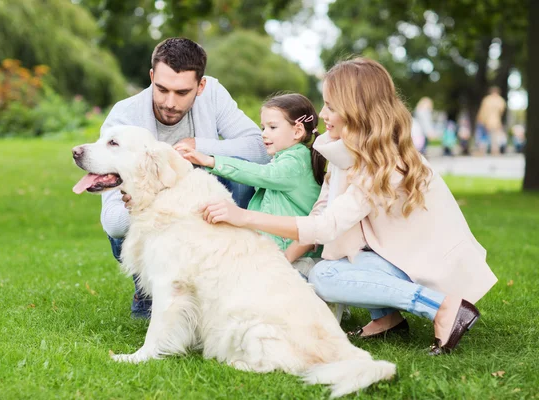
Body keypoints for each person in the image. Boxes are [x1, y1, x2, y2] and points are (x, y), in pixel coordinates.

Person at [199, 58, 498, 355]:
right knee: (332, 265)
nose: (323, 113)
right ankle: (386, 319)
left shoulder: (384, 161)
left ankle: (443, 308)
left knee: (327, 276)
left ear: (357, 110)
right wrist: (282, 259)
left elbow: (328, 227)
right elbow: (321, 212)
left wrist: (245, 217)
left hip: (425, 261)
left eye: (331, 106)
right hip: (392, 254)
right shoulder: (345, 148)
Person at [100, 37, 269, 319]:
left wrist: (201, 147)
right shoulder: (124, 118)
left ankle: (225, 283)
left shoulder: (213, 94)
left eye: (181, 93)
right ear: (151, 76)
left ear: (200, 86)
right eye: (162, 89)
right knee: (126, 222)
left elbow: (261, 149)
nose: (169, 103)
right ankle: (148, 292)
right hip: (158, 218)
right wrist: (148, 197)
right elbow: (114, 223)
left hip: (204, 211)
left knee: (239, 170)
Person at [178, 93, 326, 267]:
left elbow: (260, 173)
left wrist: (211, 160)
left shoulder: (296, 161)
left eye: (272, 127)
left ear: (297, 131)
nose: (264, 134)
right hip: (277, 252)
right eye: (263, 127)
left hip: (296, 259)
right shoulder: (286, 158)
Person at [476, 86, 507, 155]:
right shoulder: (500, 100)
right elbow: (502, 111)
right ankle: (494, 150)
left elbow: (482, 111)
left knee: (485, 136)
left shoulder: (487, 100)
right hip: (495, 120)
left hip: (488, 120)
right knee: (493, 136)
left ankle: (483, 150)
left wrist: (481, 119)